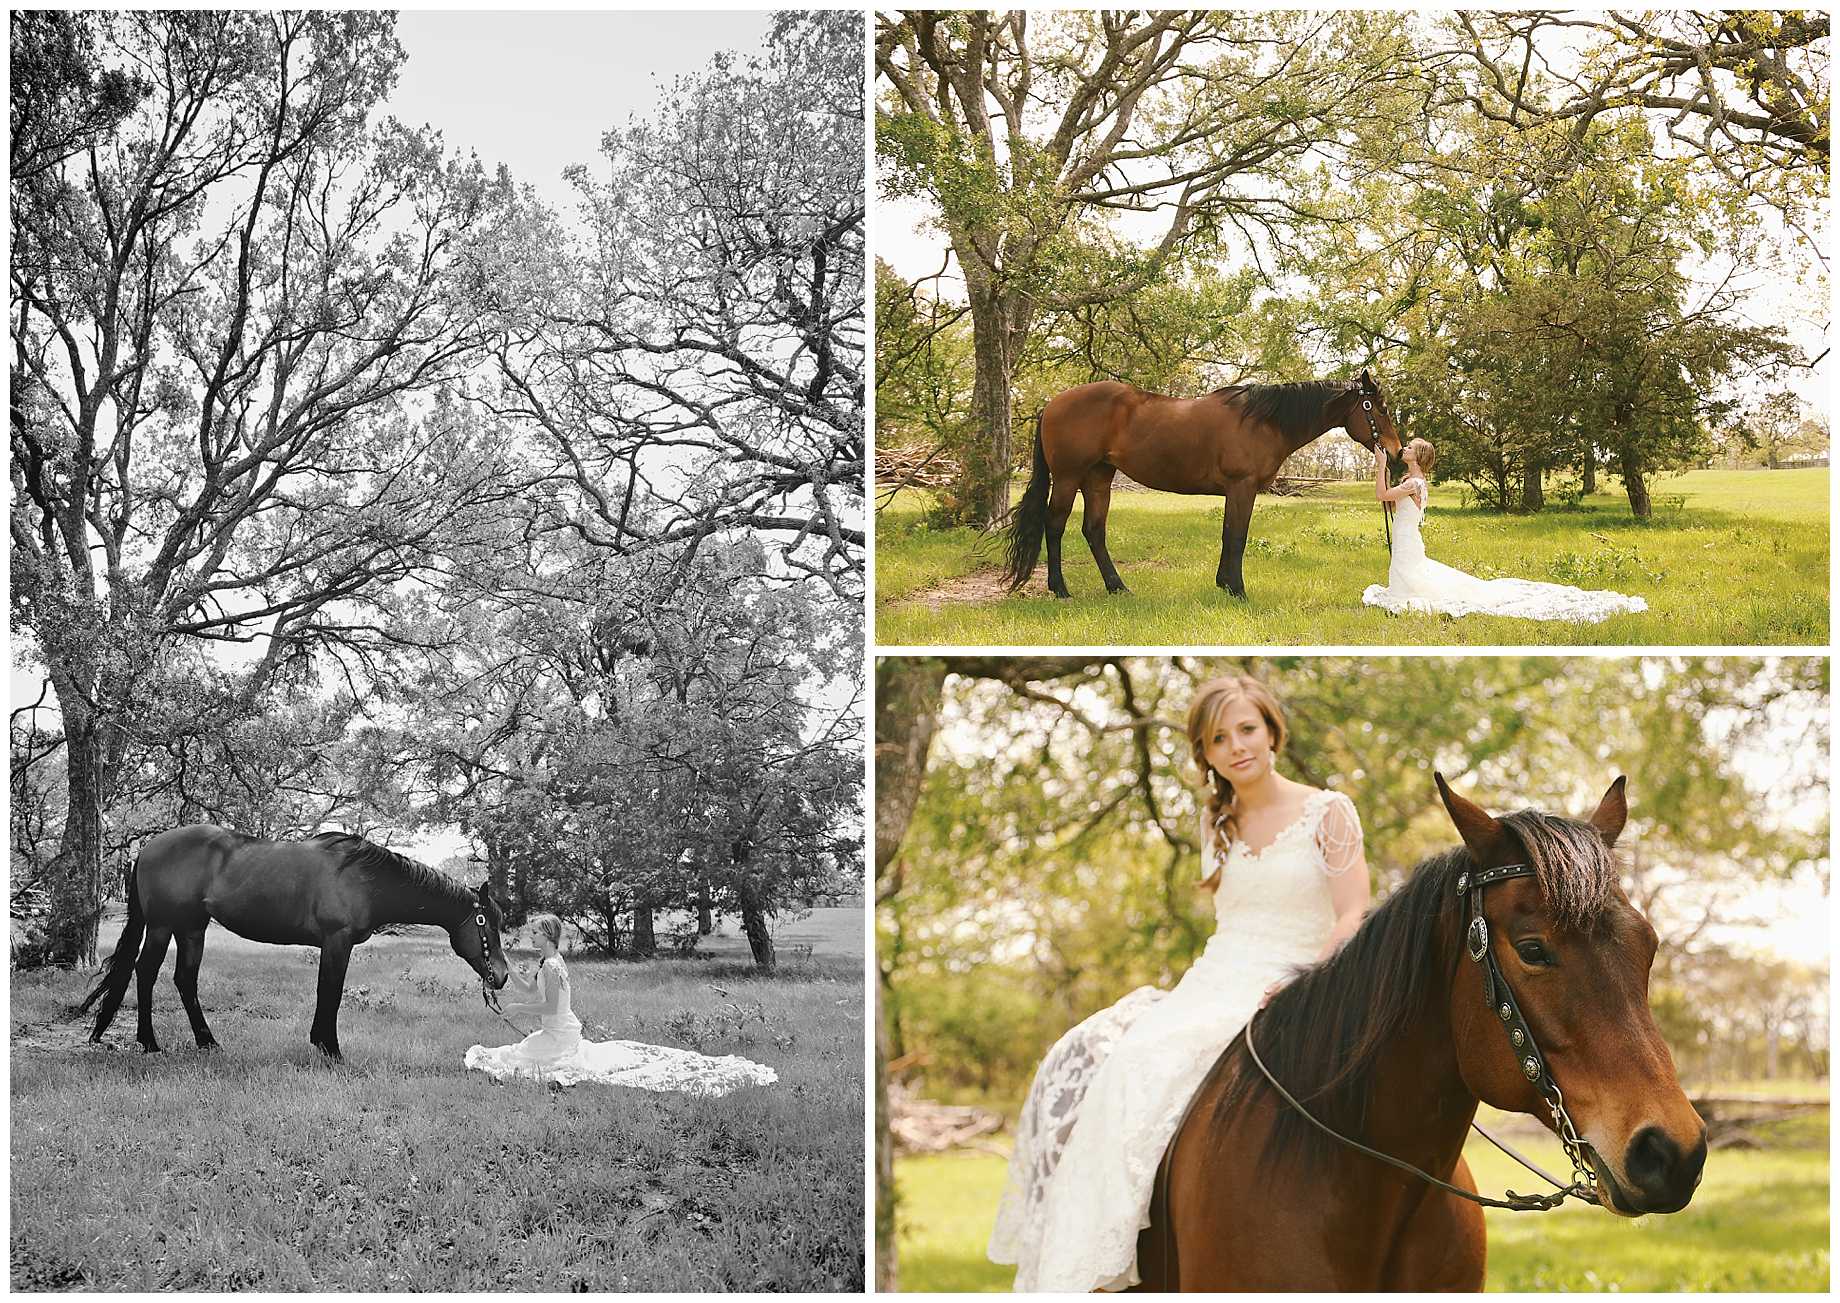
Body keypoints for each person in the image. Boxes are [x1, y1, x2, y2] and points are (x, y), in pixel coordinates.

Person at [988, 675, 1370, 1292]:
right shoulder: (1215, 821)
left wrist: (1307, 980)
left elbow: (1353, 912)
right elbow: (1233, 922)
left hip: (1304, 976)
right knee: (1129, 1060)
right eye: (1218, 739)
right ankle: (1110, 1256)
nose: (1236, 747)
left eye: (1246, 729)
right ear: (1206, 753)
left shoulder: (1328, 812)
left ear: (1272, 730)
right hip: (1217, 975)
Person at [464, 913, 777, 1097]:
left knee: (520, 1062)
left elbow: (550, 1008)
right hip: (556, 1031)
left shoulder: (552, 966)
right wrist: (505, 965)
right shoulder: (546, 961)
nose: (530, 937)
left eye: (533, 933)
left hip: (558, 1031)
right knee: (519, 1054)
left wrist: (518, 1009)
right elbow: (531, 988)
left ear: (546, 936)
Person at [1362, 440, 1649, 621]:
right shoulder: (1415, 482)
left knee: (1414, 579)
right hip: (1407, 537)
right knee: (1409, 575)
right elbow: (1391, 501)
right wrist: (1386, 472)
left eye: (1411, 447)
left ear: (1418, 457)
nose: (1406, 448)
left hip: (1408, 539)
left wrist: (1382, 466)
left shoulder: (1414, 484)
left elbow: (1381, 497)